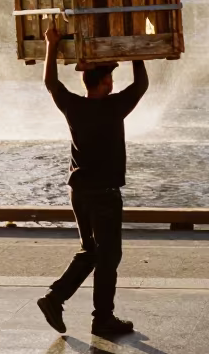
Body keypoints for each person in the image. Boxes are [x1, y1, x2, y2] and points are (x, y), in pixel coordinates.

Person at [37, 25, 148, 336]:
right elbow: (142, 84)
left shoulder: (74, 106)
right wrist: (135, 50)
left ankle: (55, 298)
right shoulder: (114, 108)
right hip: (104, 195)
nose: (114, 82)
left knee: (91, 251)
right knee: (108, 256)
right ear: (106, 83)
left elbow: (50, 82)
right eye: (111, 78)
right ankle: (102, 318)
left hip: (79, 192)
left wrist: (51, 43)